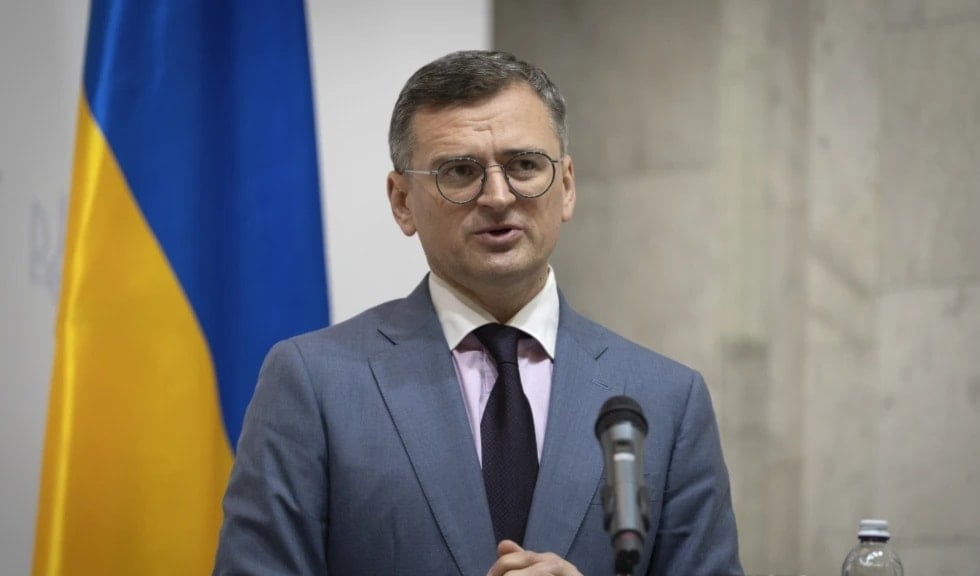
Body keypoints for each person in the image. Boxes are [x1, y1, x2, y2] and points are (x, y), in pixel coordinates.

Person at [213, 50, 742, 576]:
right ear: (401, 201)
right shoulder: (314, 383)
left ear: (567, 187)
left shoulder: (666, 398)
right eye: (460, 171)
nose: (496, 195)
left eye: (525, 166)